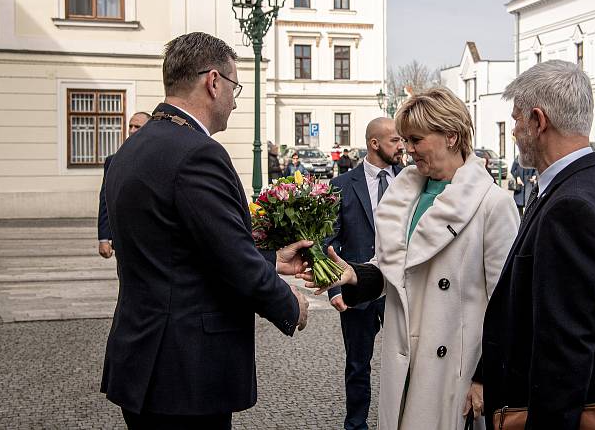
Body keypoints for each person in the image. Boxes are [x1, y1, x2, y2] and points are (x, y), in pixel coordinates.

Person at [101, 32, 311, 429]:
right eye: (235, 86)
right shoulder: (197, 153)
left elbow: (183, 250)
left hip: (142, 357)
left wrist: (271, 260)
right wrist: (289, 304)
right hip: (185, 370)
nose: (235, 99)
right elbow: (232, 262)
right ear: (213, 82)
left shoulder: (132, 148)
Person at [304, 87, 520, 430]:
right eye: (405, 139)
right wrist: (355, 276)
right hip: (404, 358)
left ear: (450, 136)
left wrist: (484, 378)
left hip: (454, 371)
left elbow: (507, 303)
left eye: (416, 139)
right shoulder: (406, 195)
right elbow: (394, 271)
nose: (408, 148)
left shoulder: (493, 204)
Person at [477, 60, 595, 430]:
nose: (513, 131)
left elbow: (564, 355)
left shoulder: (571, 207)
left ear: (538, 121)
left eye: (516, 120)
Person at [326, 117, 404, 430]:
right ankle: (356, 425)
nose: (401, 147)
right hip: (357, 289)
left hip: (399, 289)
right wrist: (334, 290)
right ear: (374, 144)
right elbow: (329, 241)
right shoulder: (342, 185)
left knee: (405, 360)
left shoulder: (410, 181)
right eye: (395, 141)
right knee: (358, 365)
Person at [97, 112, 150, 259]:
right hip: (123, 240)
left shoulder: (159, 159)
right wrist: (103, 238)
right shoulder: (113, 161)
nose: (132, 130)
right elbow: (106, 200)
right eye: (130, 126)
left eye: (137, 126)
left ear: (149, 129)